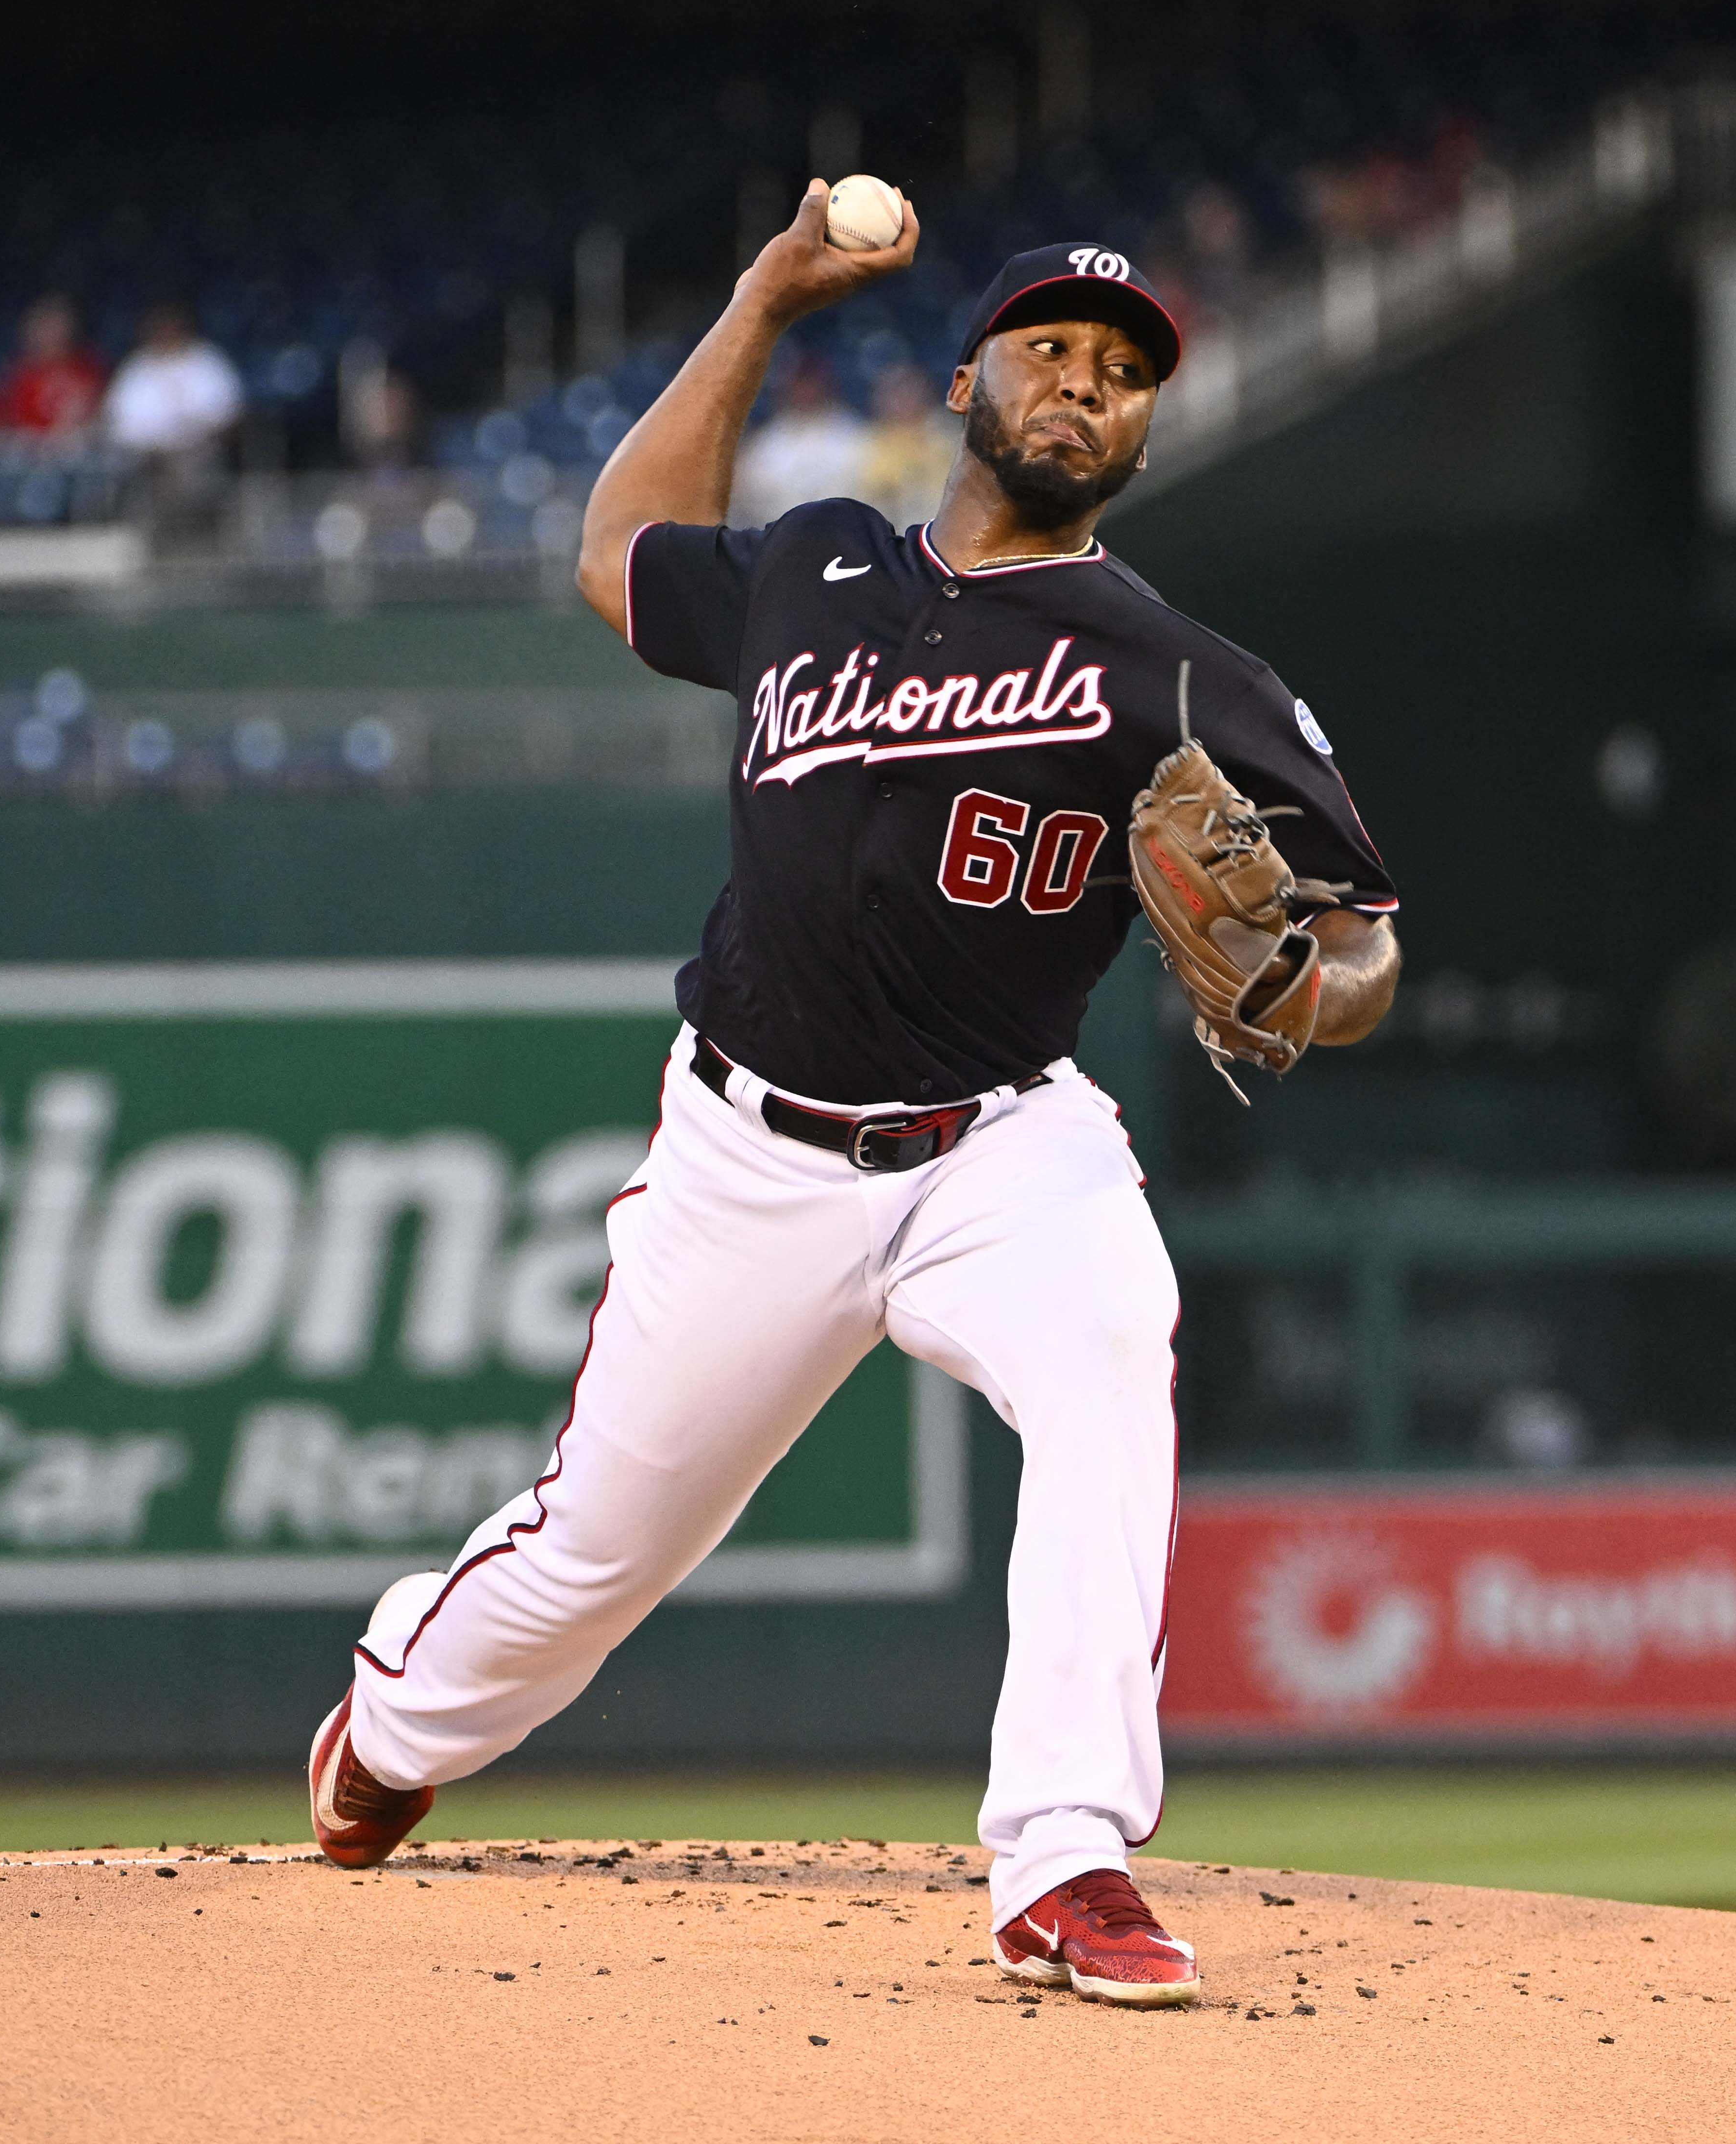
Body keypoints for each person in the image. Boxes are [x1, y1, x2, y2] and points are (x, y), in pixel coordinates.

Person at [308, 186, 1402, 2009]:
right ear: (964, 377)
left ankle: (1065, 1856)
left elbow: (1362, 929)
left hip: (1000, 1142)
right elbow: (617, 549)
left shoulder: (1177, 667)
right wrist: (757, 300)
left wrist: (1306, 975)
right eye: (1048, 349)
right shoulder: (813, 563)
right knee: (598, 1550)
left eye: (1120, 372)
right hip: (748, 1151)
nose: (1081, 386)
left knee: (1110, 1347)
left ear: (1140, 430)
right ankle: (398, 1718)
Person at [105, 301, 242, 530]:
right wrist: (152, 449)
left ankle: (200, 533)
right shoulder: (136, 368)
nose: (164, 333)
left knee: (193, 471)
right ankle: (144, 536)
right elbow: (118, 423)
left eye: (170, 326)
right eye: (158, 328)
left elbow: (226, 415)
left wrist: (189, 442)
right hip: (146, 459)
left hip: (198, 452)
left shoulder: (207, 361)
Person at [726, 348, 869, 524]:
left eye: (811, 382)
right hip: (783, 540)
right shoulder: (765, 445)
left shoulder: (857, 435)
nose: (806, 390)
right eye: (800, 383)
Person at [853, 361, 958, 526]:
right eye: (895, 393)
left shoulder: (947, 437)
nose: (903, 399)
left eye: (910, 391)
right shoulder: (867, 445)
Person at [0, 294, 104, 437]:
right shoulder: (20, 376)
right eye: (44, 326)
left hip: (79, 450)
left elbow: (102, 414)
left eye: (58, 325)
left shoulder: (88, 368)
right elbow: (9, 427)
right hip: (31, 452)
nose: (52, 333)